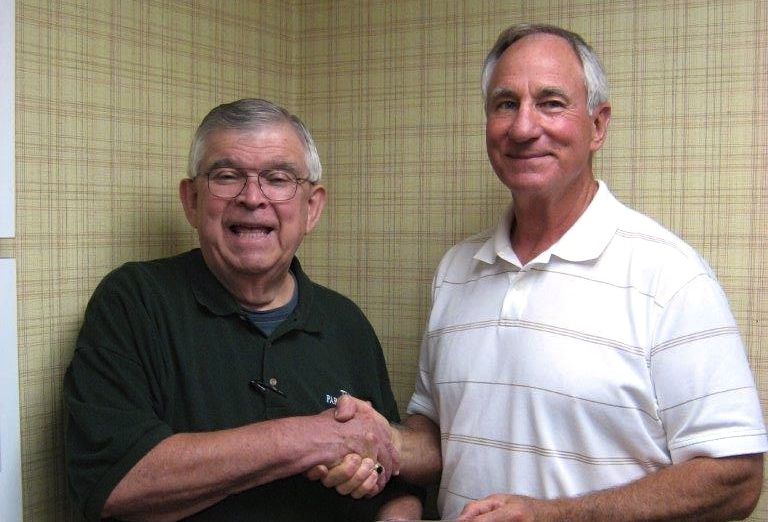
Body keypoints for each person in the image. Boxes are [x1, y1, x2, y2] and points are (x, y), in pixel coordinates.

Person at [315, 24, 767, 521]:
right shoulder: (456, 271)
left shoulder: (668, 276)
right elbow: (442, 436)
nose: (523, 127)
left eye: (551, 102)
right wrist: (386, 442)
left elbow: (737, 478)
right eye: (505, 104)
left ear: (598, 125)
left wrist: (559, 515)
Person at [63, 98, 423, 521]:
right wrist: (304, 439)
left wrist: (398, 511)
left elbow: (394, 478)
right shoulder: (134, 302)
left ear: (312, 207)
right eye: (227, 176)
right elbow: (113, 483)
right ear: (192, 201)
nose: (252, 197)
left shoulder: (346, 322)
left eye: (278, 178)